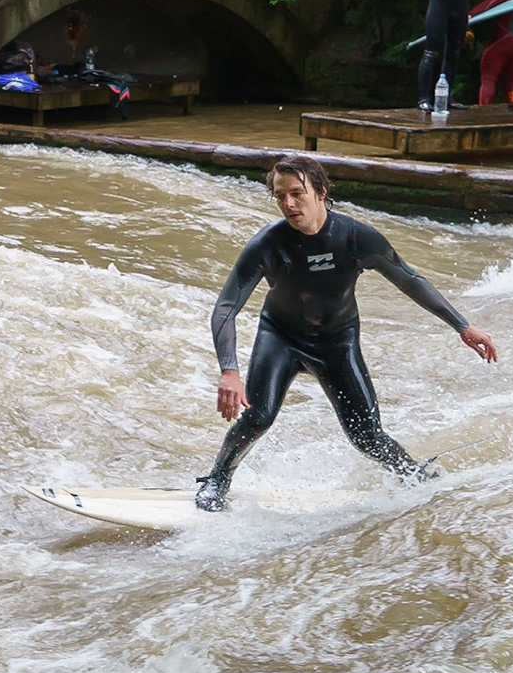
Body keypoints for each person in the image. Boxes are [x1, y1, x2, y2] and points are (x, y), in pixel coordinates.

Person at [194, 156, 497, 512]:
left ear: (321, 193)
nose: (288, 204)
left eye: (297, 193)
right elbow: (226, 307)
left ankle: (417, 479)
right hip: (281, 337)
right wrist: (229, 371)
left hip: (337, 342)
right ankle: (217, 479)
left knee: (366, 436)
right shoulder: (268, 244)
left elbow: (409, 279)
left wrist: (462, 326)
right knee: (258, 417)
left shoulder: (356, 238)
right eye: (280, 196)